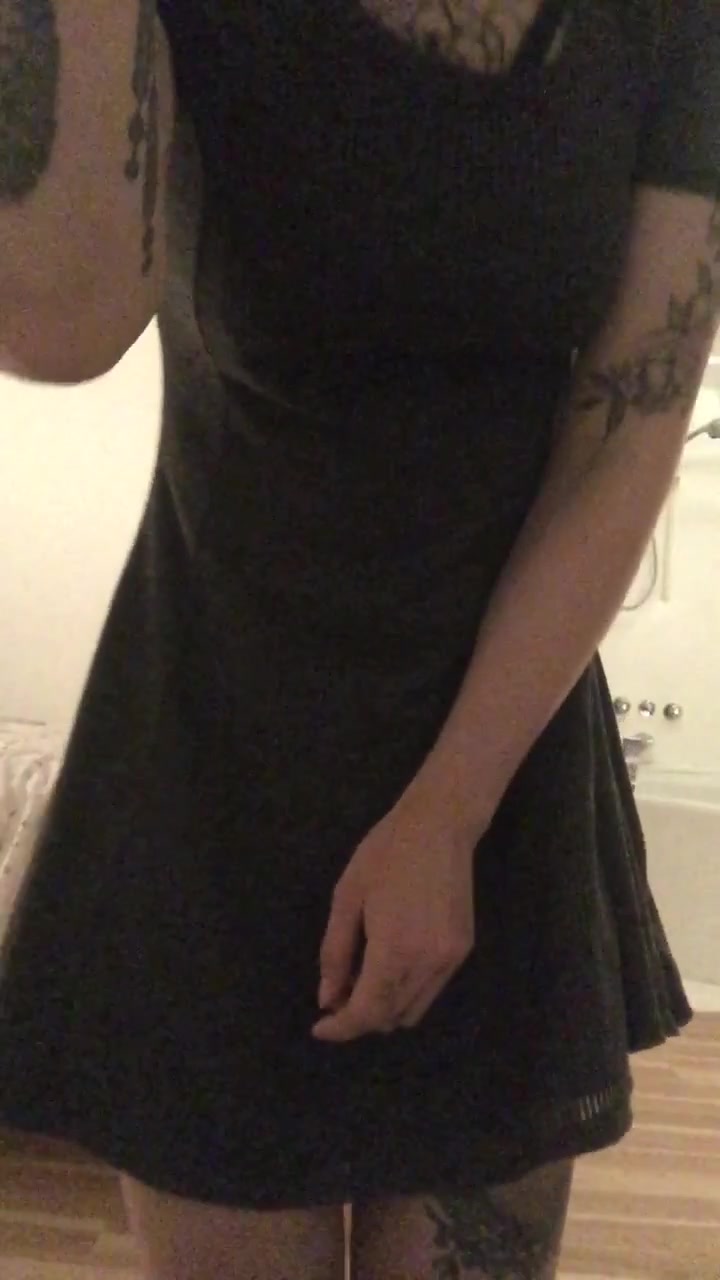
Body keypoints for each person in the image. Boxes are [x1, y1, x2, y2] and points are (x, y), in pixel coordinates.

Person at [0, 1, 715, 1276]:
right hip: (215, 758)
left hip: (502, 751)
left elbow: (629, 427)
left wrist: (449, 811)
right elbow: (61, 322)